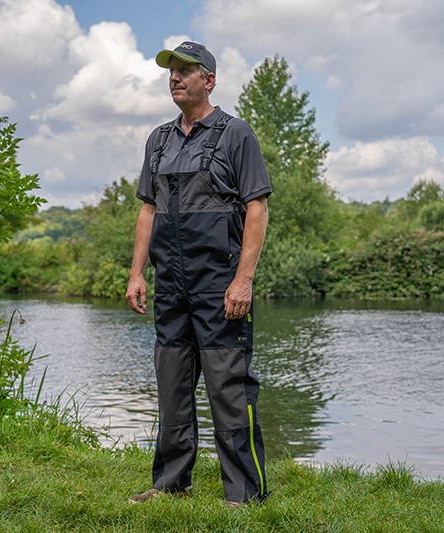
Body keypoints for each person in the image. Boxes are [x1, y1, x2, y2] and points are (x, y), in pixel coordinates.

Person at [126, 41, 271, 507]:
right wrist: (137, 274)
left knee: (229, 389)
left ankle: (243, 494)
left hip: (219, 285)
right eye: (171, 70)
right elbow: (148, 210)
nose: (175, 77)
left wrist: (243, 280)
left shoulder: (236, 134)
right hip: (170, 285)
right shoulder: (158, 139)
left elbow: (257, 208)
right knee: (172, 387)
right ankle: (171, 483)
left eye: (186, 70)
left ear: (208, 80)